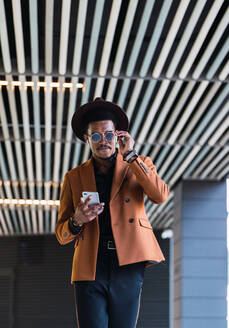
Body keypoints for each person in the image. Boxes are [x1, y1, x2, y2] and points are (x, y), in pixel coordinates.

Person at [55, 97, 169, 328]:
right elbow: (61, 234)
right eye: (96, 136)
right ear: (87, 138)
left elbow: (160, 195)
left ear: (118, 136)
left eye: (108, 135)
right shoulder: (74, 177)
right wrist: (77, 220)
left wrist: (131, 156)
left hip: (128, 263)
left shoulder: (138, 164)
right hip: (90, 265)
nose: (103, 141)